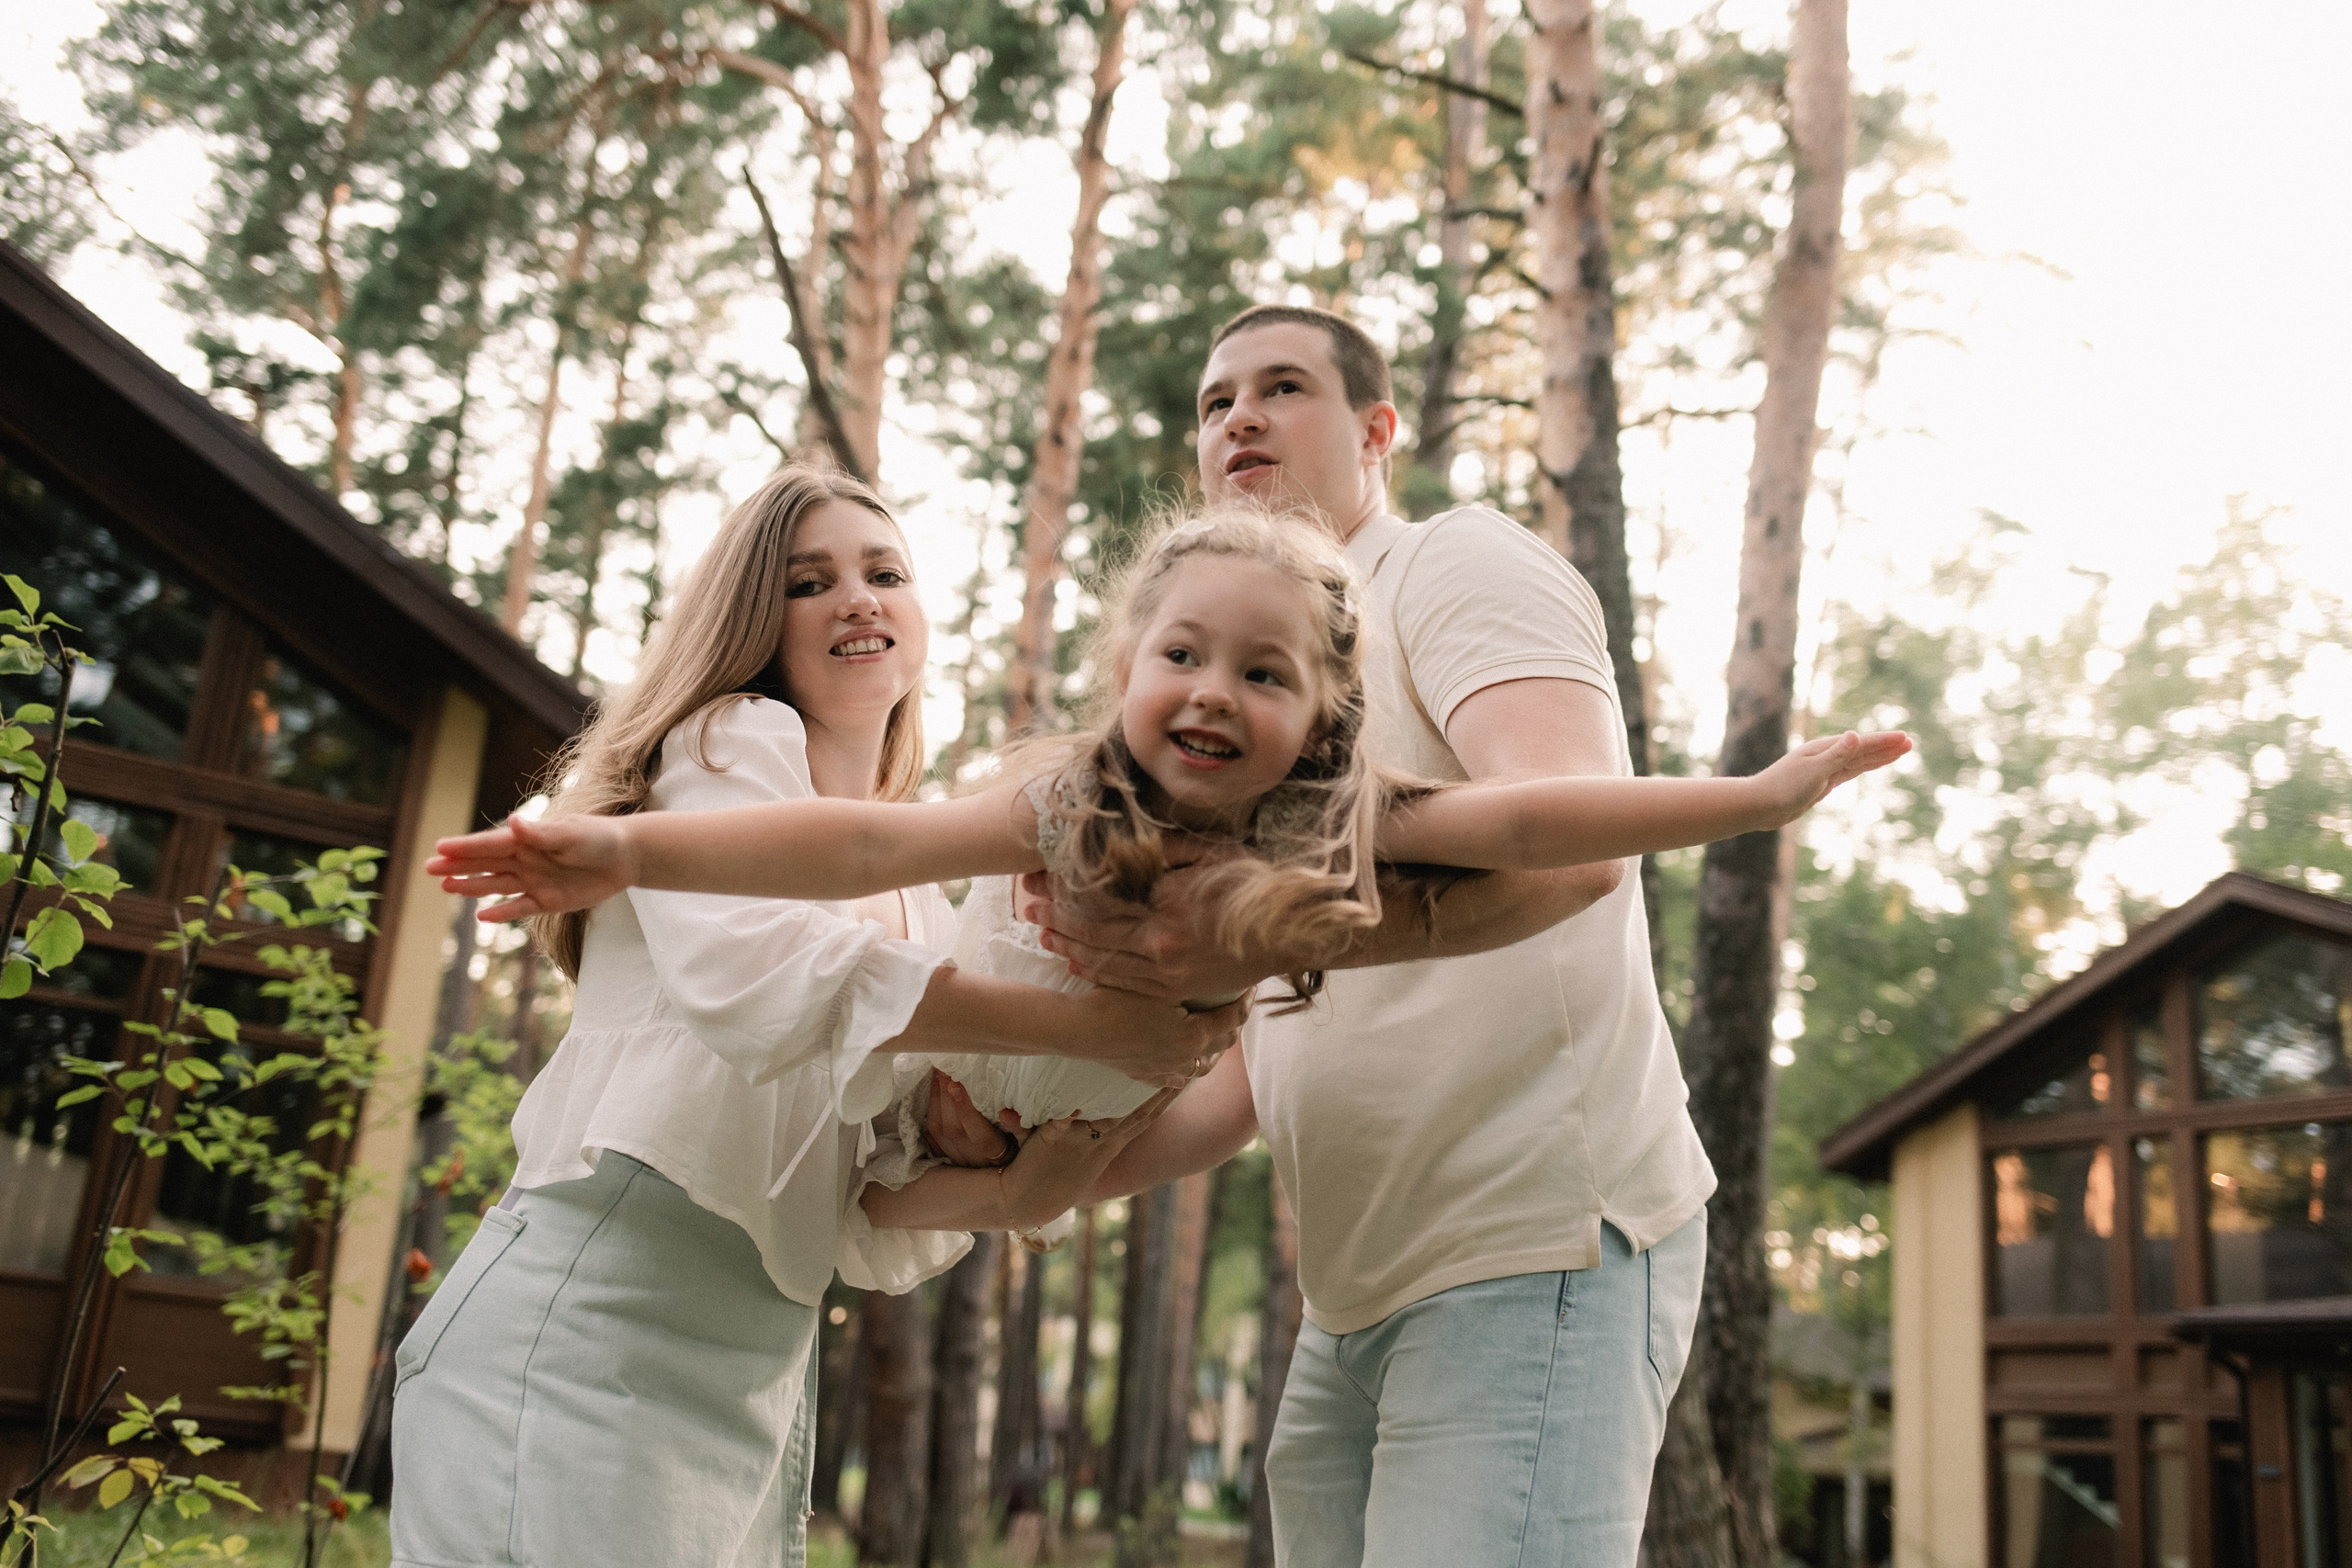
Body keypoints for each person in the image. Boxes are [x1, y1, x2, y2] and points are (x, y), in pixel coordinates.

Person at [428, 505, 1902, 1250]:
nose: (1211, 691)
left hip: (1042, 1142)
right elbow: (864, 846)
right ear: (1127, 669)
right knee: (894, 1188)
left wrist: (1755, 797)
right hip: (924, 1100)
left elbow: (1533, 825)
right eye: (1181, 655)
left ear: (1322, 716)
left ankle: (952, 1199)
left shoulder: (1339, 814)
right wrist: (625, 845)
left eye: (1263, 673)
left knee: (1030, 1170)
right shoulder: (1070, 798)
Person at [1011, 303, 1762, 1566]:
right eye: (1213, 400)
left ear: (1377, 432)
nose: (1237, 414)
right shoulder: (1263, 695)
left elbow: (1576, 841)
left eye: (1281, 386)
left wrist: (1252, 940)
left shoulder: (1454, 563)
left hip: (1536, 1243)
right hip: (1352, 1296)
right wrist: (1037, 1174)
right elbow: (1263, 1054)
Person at [386, 467, 1240, 1568]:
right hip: (589, 1328)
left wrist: (1011, 1186)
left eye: (886, 573)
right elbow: (781, 969)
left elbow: (868, 1193)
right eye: (810, 581)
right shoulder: (722, 744)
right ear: (754, 620)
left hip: (752, 1366)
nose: (859, 599)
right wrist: (1083, 1031)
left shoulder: (920, 912)